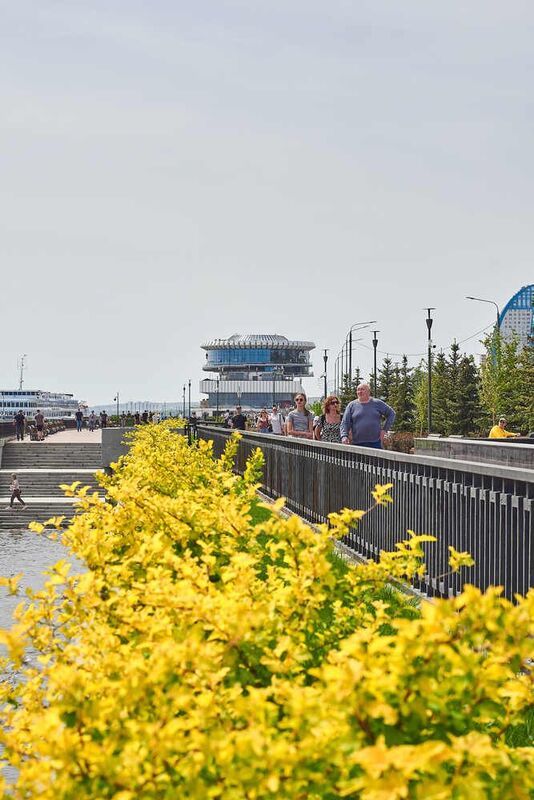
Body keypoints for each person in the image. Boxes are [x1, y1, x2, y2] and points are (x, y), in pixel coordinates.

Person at [340, 382, 395, 449]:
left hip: (375, 443)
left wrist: (384, 430)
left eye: (362, 389)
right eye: (358, 390)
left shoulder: (377, 403)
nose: (359, 392)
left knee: (375, 460)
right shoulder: (351, 405)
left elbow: (391, 414)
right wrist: (344, 436)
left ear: (368, 392)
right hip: (357, 443)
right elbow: (345, 422)